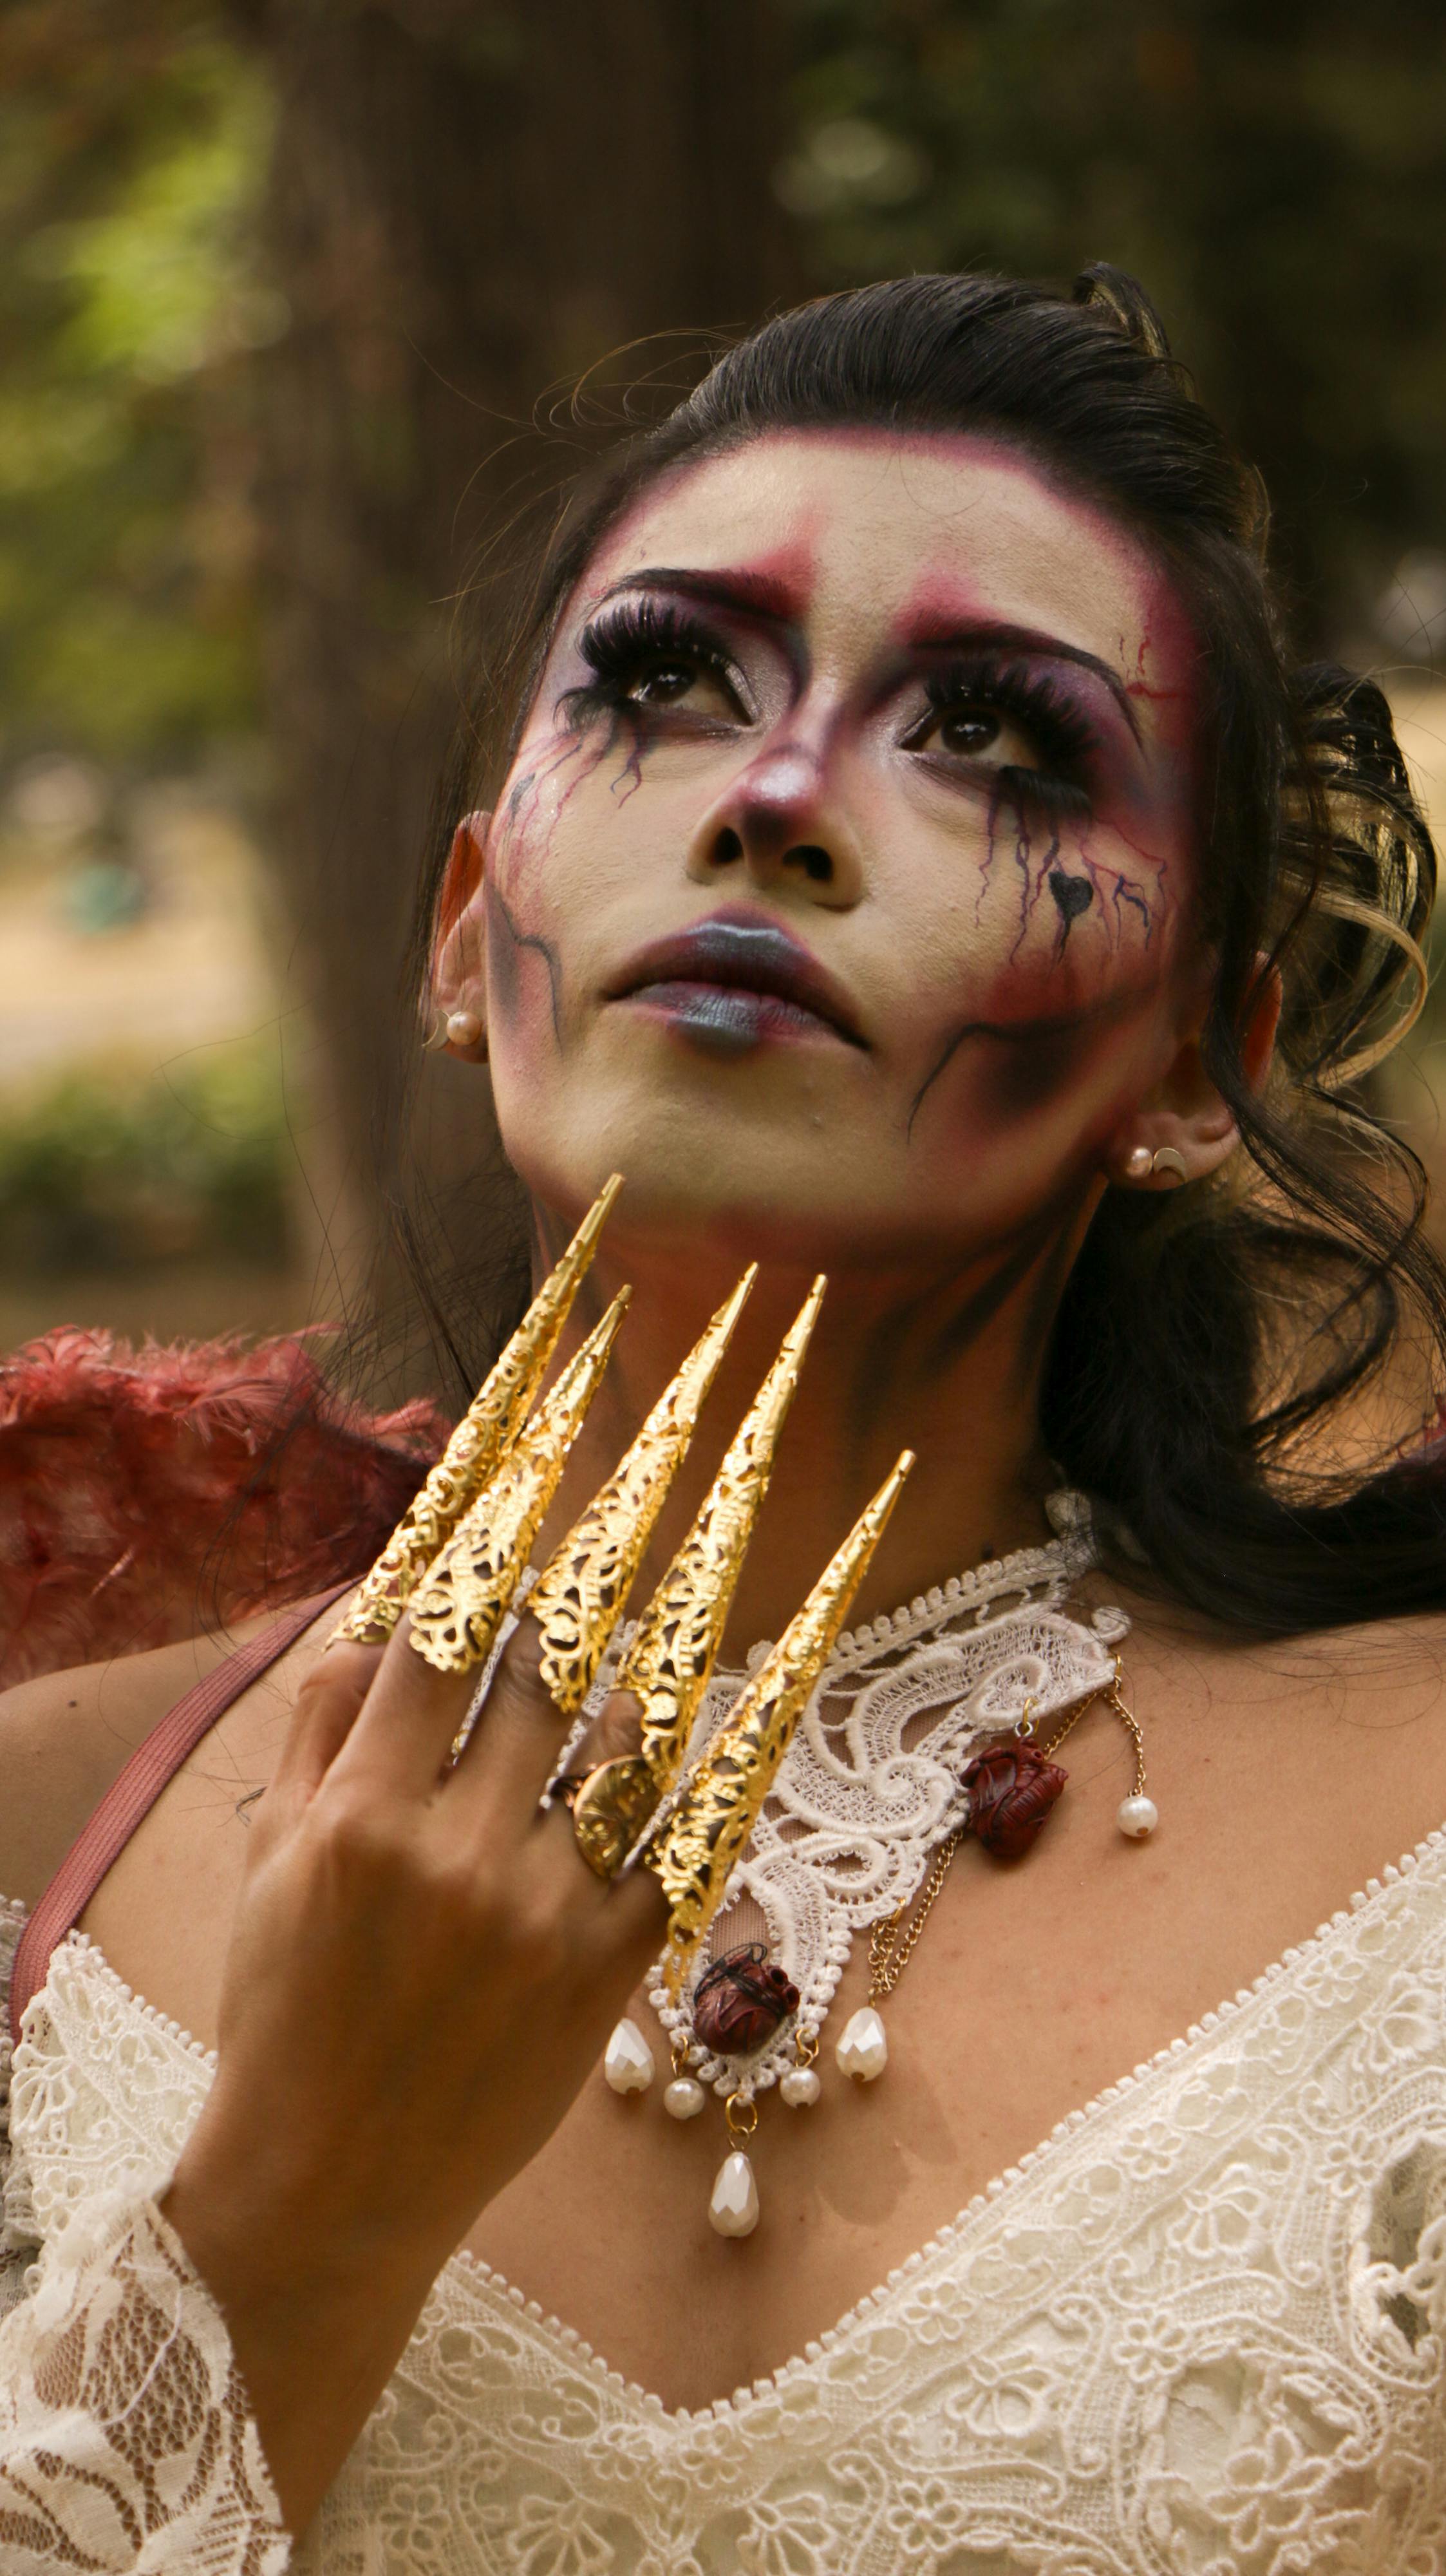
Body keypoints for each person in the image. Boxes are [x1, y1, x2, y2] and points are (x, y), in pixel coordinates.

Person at [3, 264, 1445, 2575]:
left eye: (996, 742)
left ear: (1201, 1063)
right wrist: (293, 2209)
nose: (778, 801)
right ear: (471, 930)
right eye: (665, 687)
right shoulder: (37, 1856)